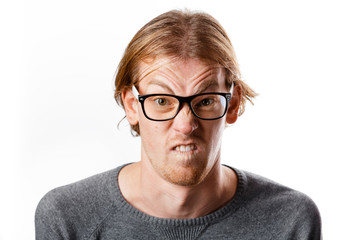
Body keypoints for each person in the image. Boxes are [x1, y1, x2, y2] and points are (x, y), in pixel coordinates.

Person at [35, 9, 322, 239]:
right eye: (162, 101)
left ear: (232, 104)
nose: (186, 125)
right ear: (132, 105)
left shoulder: (289, 220)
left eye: (206, 100)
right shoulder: (67, 217)